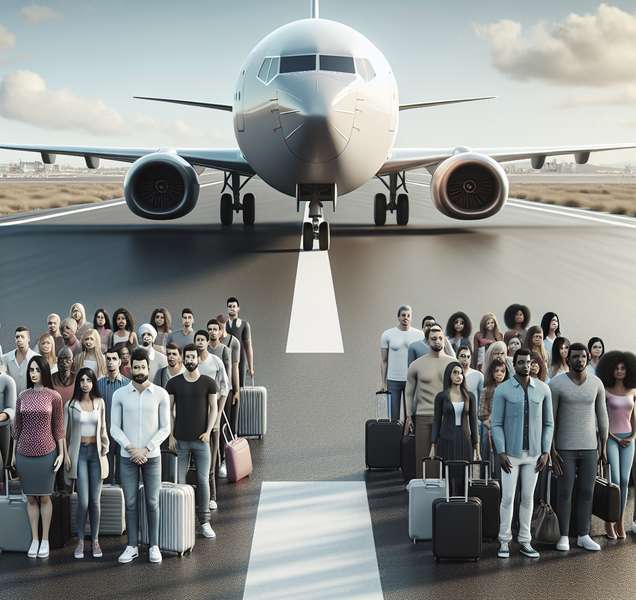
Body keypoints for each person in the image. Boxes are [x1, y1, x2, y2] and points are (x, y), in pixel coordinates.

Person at [491, 349, 553, 559]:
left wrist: (545, 451)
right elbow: (496, 424)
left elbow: (549, 423)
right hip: (510, 455)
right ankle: (504, 541)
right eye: (520, 362)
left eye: (528, 362)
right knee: (508, 498)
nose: (525, 365)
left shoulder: (543, 389)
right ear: (513, 364)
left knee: (528, 498)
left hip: (534, 454)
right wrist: (500, 451)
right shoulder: (503, 390)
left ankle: (525, 541)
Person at [110, 348, 170, 564]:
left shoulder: (160, 394)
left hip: (152, 457)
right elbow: (114, 428)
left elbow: (165, 428)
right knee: (131, 502)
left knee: (153, 501)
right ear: (131, 368)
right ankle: (132, 546)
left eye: (143, 367)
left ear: (148, 368)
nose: (139, 371)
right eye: (135, 367)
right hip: (128, 458)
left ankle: (154, 545)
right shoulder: (120, 394)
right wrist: (130, 449)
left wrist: (146, 449)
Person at [550, 343, 609, 552]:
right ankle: (564, 535)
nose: (580, 360)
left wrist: (603, 446)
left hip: (590, 448)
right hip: (565, 448)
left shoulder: (596, 383)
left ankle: (584, 535)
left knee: (586, 491)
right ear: (569, 359)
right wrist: (552, 448)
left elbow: (602, 416)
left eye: (583, 357)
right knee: (564, 492)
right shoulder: (556, 384)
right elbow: (551, 419)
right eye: (575, 357)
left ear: (587, 358)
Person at [13, 356, 64, 559]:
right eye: (31, 370)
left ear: (44, 371)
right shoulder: (22, 396)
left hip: (47, 451)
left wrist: (61, 453)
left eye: (37, 369)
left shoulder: (54, 396)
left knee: (44, 496)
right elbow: (17, 428)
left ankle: (45, 540)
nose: (33, 373)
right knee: (31, 498)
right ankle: (34, 539)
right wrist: (14, 454)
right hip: (24, 451)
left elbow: (58, 428)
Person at [166, 344, 217, 538]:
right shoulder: (173, 383)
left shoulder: (208, 382)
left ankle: (204, 522)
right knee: (180, 482)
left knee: (203, 481)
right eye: (186, 357)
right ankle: (181, 519)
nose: (189, 360)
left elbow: (213, 408)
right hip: (180, 440)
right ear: (182, 358)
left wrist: (208, 431)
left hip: (201, 440)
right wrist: (171, 435)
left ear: (198, 358)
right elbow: (168, 411)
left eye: (192, 357)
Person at [64, 368, 109, 559]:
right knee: (83, 501)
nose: (85, 383)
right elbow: (64, 434)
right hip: (79, 454)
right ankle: (81, 540)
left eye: (88, 380)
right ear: (78, 383)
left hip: (96, 453)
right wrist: (65, 455)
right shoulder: (71, 405)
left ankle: (95, 540)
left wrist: (105, 445)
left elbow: (103, 427)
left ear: (93, 383)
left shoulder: (100, 402)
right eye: (81, 380)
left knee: (95, 502)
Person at [405, 325, 455, 477]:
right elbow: (408, 392)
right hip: (423, 415)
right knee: (423, 456)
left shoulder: (453, 363)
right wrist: (408, 416)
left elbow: (461, 392)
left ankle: (445, 492)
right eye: (433, 339)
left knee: (446, 456)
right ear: (427, 341)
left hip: (447, 417)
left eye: (440, 338)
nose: (438, 341)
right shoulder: (416, 365)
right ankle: (423, 488)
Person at [595, 351, 636, 540]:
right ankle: (609, 522)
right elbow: (601, 418)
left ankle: (620, 520)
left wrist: (633, 435)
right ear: (611, 370)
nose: (620, 371)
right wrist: (611, 437)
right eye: (617, 368)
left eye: (623, 368)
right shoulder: (606, 390)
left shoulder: (633, 391)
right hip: (611, 438)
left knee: (626, 481)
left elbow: (633, 416)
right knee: (616, 480)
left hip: (629, 440)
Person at [430, 361, 480, 494]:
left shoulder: (470, 396)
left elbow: (473, 422)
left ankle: (463, 506)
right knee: (447, 474)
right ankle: (447, 505)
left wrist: (477, 448)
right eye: (455, 373)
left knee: (464, 474)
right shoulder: (441, 397)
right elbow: (436, 421)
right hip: (446, 439)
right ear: (449, 375)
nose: (459, 376)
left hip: (464, 440)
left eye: (461, 373)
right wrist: (433, 445)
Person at [194, 330, 229, 509]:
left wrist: (219, 413)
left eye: (202, 340)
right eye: (197, 340)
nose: (200, 342)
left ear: (207, 342)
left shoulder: (216, 362)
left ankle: (212, 495)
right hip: (195, 415)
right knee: (197, 456)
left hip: (212, 413)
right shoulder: (191, 363)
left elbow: (225, 388)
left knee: (212, 456)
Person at [380, 305, 424, 420]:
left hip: (411, 380)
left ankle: (407, 438)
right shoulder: (387, 334)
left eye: (408, 315)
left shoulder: (419, 335)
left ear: (411, 318)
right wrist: (383, 383)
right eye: (403, 315)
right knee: (394, 416)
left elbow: (424, 359)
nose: (406, 318)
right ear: (398, 317)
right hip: (393, 380)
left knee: (410, 415)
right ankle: (395, 437)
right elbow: (384, 361)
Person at [96, 348, 130, 485]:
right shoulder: (98, 384)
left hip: (124, 434)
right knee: (106, 474)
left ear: (120, 361)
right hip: (105, 434)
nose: (111, 362)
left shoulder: (128, 385)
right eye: (108, 359)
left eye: (114, 359)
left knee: (124, 476)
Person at [479, 360, 510, 478]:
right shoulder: (486, 390)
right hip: (489, 427)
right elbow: (481, 414)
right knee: (488, 455)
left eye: (502, 371)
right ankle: (487, 481)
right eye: (496, 371)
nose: (499, 373)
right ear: (492, 372)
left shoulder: (510, 389)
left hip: (507, 428)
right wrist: (493, 427)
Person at [2, 326, 39, 396]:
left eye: (22, 337)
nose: (19, 339)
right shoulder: (5, 358)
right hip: (11, 401)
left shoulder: (37, 358)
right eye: (17, 337)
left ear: (28, 339)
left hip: (31, 400)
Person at [226, 297, 255, 385]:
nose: (232, 308)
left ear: (238, 308)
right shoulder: (223, 325)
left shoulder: (244, 324)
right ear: (227, 309)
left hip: (240, 360)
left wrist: (251, 367)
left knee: (240, 387)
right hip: (226, 359)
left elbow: (248, 346)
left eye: (234, 306)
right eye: (230, 306)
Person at [456, 345, 484, 413]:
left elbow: (481, 399)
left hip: (472, 416)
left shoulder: (478, 375)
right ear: (457, 358)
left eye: (468, 357)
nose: (465, 359)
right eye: (462, 356)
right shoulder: (452, 375)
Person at [0, 358, 17, 468]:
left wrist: (3, 416)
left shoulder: (7, 381)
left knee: (5, 463)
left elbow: (12, 408)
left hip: (3, 426)